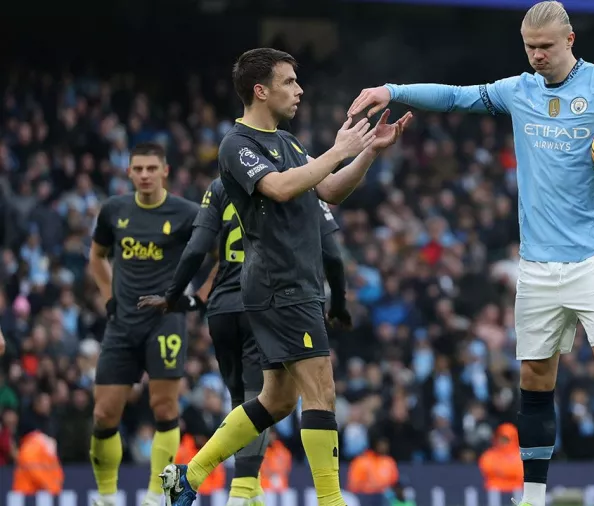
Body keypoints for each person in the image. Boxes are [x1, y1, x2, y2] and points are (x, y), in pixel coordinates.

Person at [347, 2, 594, 505]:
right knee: (534, 376)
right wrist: (391, 91)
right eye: (529, 48)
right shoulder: (520, 91)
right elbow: (456, 98)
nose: (536, 57)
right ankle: (532, 496)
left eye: (546, 47)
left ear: (570, 40)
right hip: (537, 264)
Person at [161, 47, 411, 506]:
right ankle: (331, 501)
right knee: (322, 390)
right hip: (280, 284)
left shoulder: (289, 143)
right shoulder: (238, 144)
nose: (299, 90)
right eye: (289, 82)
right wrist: (338, 149)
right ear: (261, 90)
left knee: (276, 400)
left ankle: (188, 475)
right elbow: (276, 188)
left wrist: (368, 153)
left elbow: (329, 190)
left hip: (293, 284)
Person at [139, 178, 350, 506]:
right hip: (283, 297)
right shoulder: (297, 179)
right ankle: (252, 492)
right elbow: (332, 255)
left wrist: (174, 296)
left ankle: (192, 477)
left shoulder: (220, 187)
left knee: (270, 400)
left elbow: (198, 248)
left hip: (227, 305)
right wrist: (338, 303)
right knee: (316, 393)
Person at [88, 142, 202, 506]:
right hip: (122, 324)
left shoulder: (186, 213)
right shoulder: (114, 210)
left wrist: (197, 299)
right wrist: (108, 296)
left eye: (152, 168)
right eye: (138, 169)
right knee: (104, 412)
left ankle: (158, 495)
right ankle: (106, 496)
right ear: (129, 172)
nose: (145, 175)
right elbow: (97, 256)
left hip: (164, 322)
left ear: (165, 171)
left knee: (165, 409)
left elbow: (222, 253)